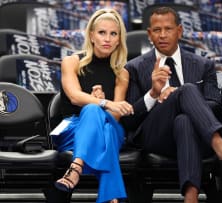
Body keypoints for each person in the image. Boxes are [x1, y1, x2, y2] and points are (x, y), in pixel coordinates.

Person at [122, 7, 222, 203]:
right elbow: (129, 120)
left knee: (184, 120)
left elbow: (214, 104)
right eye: (157, 30)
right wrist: (154, 94)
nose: (162, 35)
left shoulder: (203, 65)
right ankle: (221, 147)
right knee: (186, 90)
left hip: (191, 133)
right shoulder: (135, 67)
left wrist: (182, 100)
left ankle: (191, 198)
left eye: (168, 29)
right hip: (154, 136)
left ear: (179, 31)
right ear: (149, 34)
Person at [51, 8, 133, 203]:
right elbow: (75, 97)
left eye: (113, 34)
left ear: (119, 39)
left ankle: (76, 168)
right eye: (102, 32)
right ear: (91, 35)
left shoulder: (122, 73)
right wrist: (103, 103)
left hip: (108, 127)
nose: (107, 39)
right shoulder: (72, 62)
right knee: (94, 112)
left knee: (103, 121)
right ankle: (111, 197)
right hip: (72, 129)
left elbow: (115, 118)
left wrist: (102, 107)